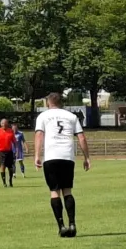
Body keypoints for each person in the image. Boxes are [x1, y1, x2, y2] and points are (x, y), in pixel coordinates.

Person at [34, 93, 90, 238]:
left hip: (51, 157)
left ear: (48, 103)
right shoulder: (71, 116)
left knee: (54, 191)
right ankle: (72, 223)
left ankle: (62, 226)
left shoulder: (43, 116)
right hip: (67, 157)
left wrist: (37, 156)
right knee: (67, 191)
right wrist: (86, 157)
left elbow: (39, 135)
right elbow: (81, 137)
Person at [0, 119, 16, 187]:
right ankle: (4, 183)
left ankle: (10, 181)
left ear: (7, 124)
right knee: (2, 166)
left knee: (10, 167)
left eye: (5, 123)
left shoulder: (10, 131)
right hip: (0, 151)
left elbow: (14, 141)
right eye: (2, 123)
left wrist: (16, 150)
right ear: (0, 124)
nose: (4, 125)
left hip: (9, 151)